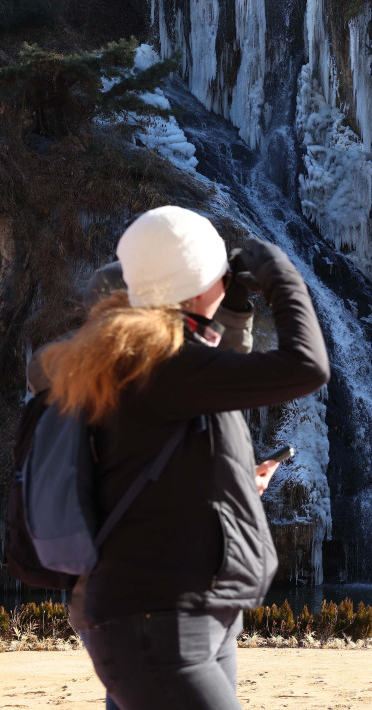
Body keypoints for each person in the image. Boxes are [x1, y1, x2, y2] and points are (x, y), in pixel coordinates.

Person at [38, 206, 330, 709]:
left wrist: (234, 312)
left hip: (177, 616)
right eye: (219, 272)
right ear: (196, 286)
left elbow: (165, 461)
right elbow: (306, 366)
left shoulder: (146, 361)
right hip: (160, 623)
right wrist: (282, 276)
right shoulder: (164, 364)